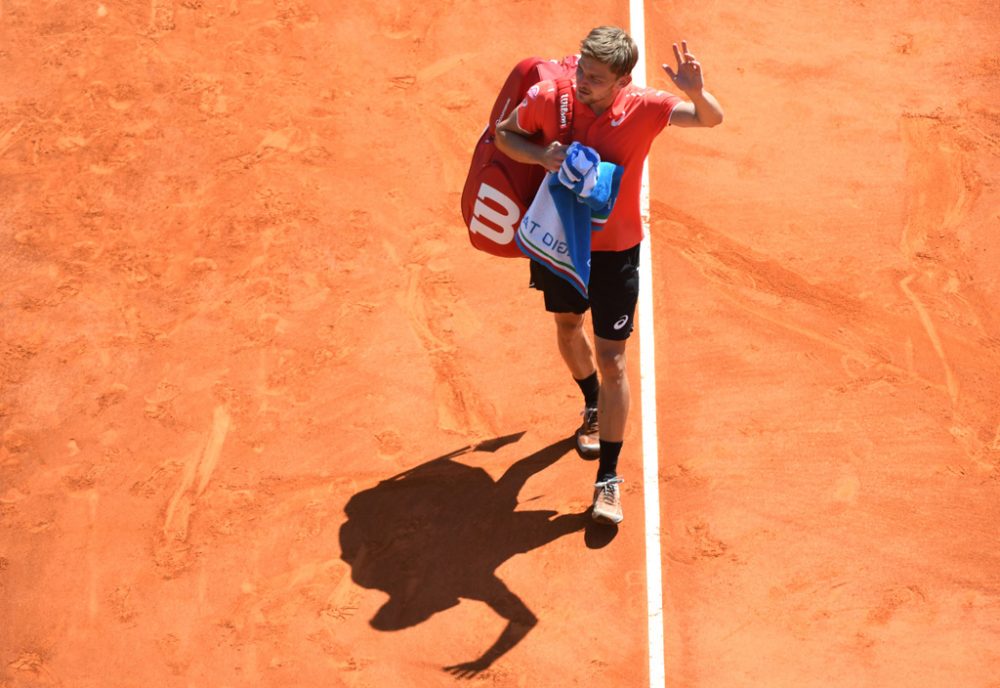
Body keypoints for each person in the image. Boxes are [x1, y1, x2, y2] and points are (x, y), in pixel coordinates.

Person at [494, 27, 724, 524]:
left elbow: (710, 119)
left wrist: (695, 91)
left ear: (622, 81)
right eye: (581, 70)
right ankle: (592, 404)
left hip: (616, 251)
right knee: (566, 327)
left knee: (614, 357)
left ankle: (608, 480)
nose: (582, 82)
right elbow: (504, 134)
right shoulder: (551, 98)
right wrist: (541, 155)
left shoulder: (645, 108)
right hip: (560, 243)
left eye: (596, 78)